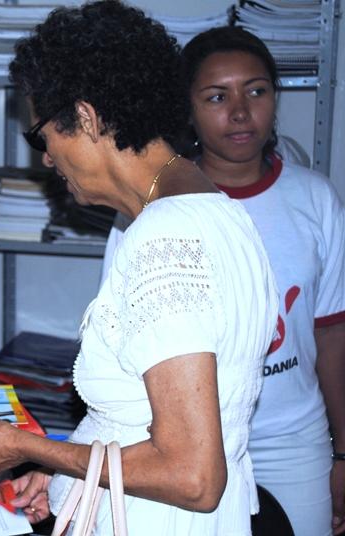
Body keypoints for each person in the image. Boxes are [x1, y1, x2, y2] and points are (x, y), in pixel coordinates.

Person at [0, 2, 279, 534]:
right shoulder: (212, 211)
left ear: (87, 118)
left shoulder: (164, 236)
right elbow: (143, 420)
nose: (46, 157)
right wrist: (65, 473)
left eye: (42, 136)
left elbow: (192, 475)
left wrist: (25, 447)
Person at [102, 26, 345, 535]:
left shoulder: (316, 199)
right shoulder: (146, 213)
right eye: (217, 97)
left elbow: (331, 334)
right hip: (183, 451)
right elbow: (122, 353)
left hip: (292, 444)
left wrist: (343, 451)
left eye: (256, 92)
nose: (239, 112)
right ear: (188, 111)